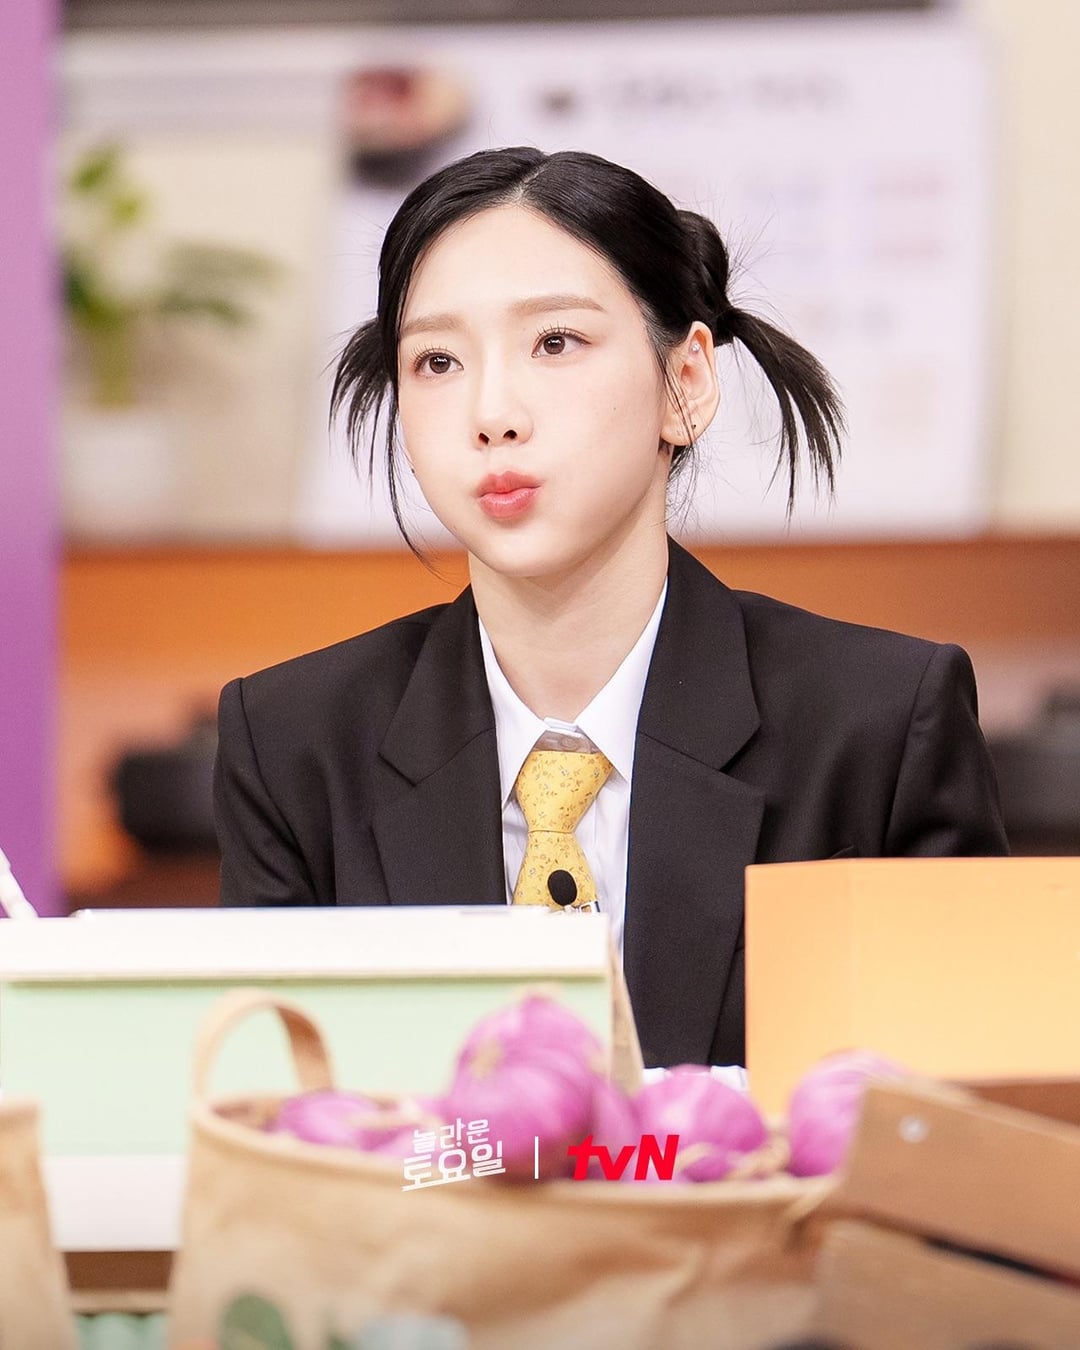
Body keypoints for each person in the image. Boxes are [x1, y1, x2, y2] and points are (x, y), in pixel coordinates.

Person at [215, 146, 1007, 1069]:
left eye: (556, 342)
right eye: (437, 360)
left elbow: (963, 1117)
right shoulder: (293, 745)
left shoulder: (879, 723)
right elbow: (279, 1124)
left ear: (689, 383)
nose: (492, 413)